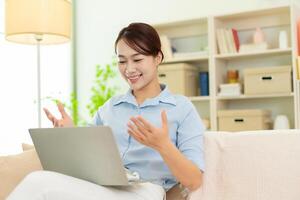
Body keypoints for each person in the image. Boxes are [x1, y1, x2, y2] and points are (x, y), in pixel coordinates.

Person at [7, 22, 205, 200]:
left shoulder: (181, 108)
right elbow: (87, 157)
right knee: (38, 180)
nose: (129, 69)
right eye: (122, 61)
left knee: (42, 186)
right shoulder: (110, 107)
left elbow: (194, 181)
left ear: (157, 58)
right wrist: (70, 132)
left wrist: (163, 145)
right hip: (103, 187)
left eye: (137, 59)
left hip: (147, 191)